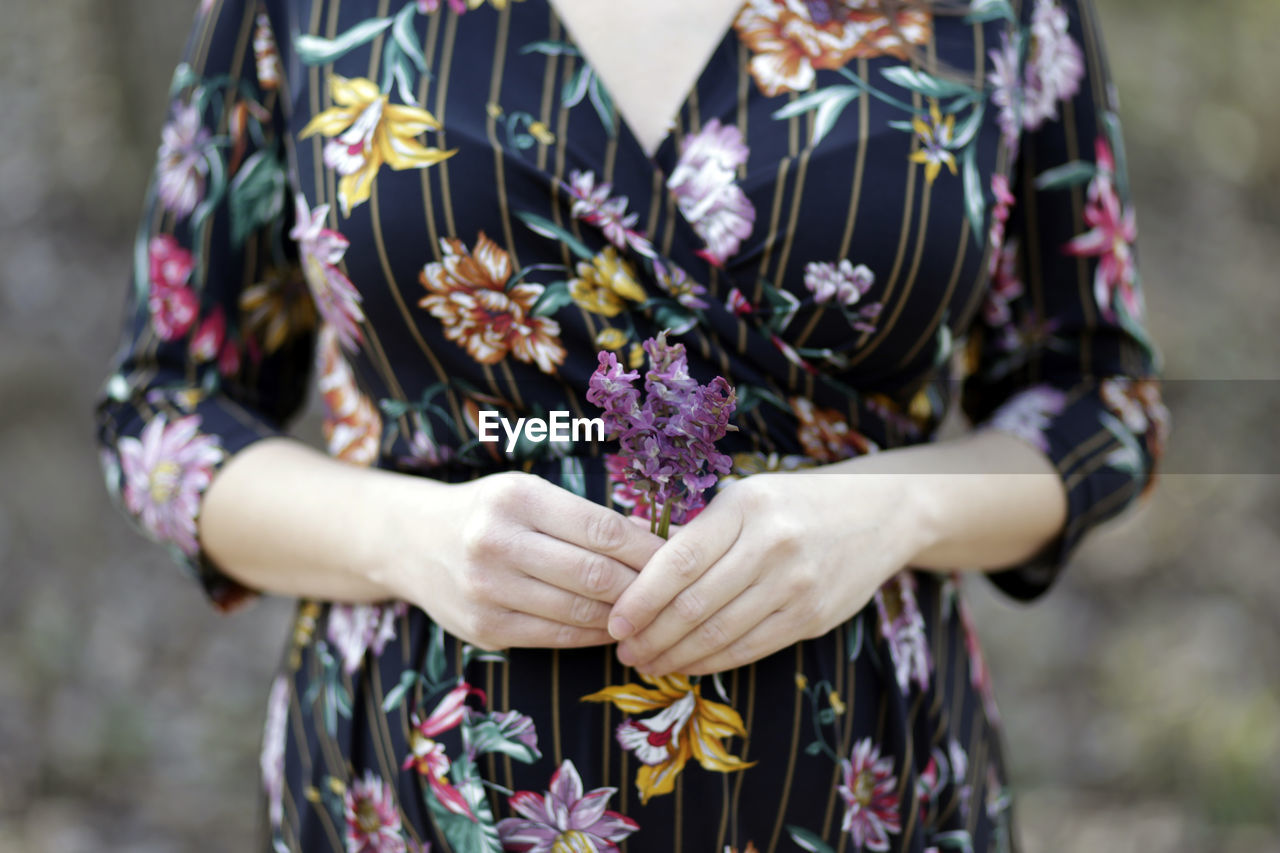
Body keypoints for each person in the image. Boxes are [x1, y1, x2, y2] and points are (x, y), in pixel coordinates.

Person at [94, 0, 1170, 849]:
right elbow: (167, 414)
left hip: (860, 786)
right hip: (414, 792)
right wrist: (400, 533)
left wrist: (895, 506)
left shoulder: (1000, 11)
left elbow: (1092, 401)